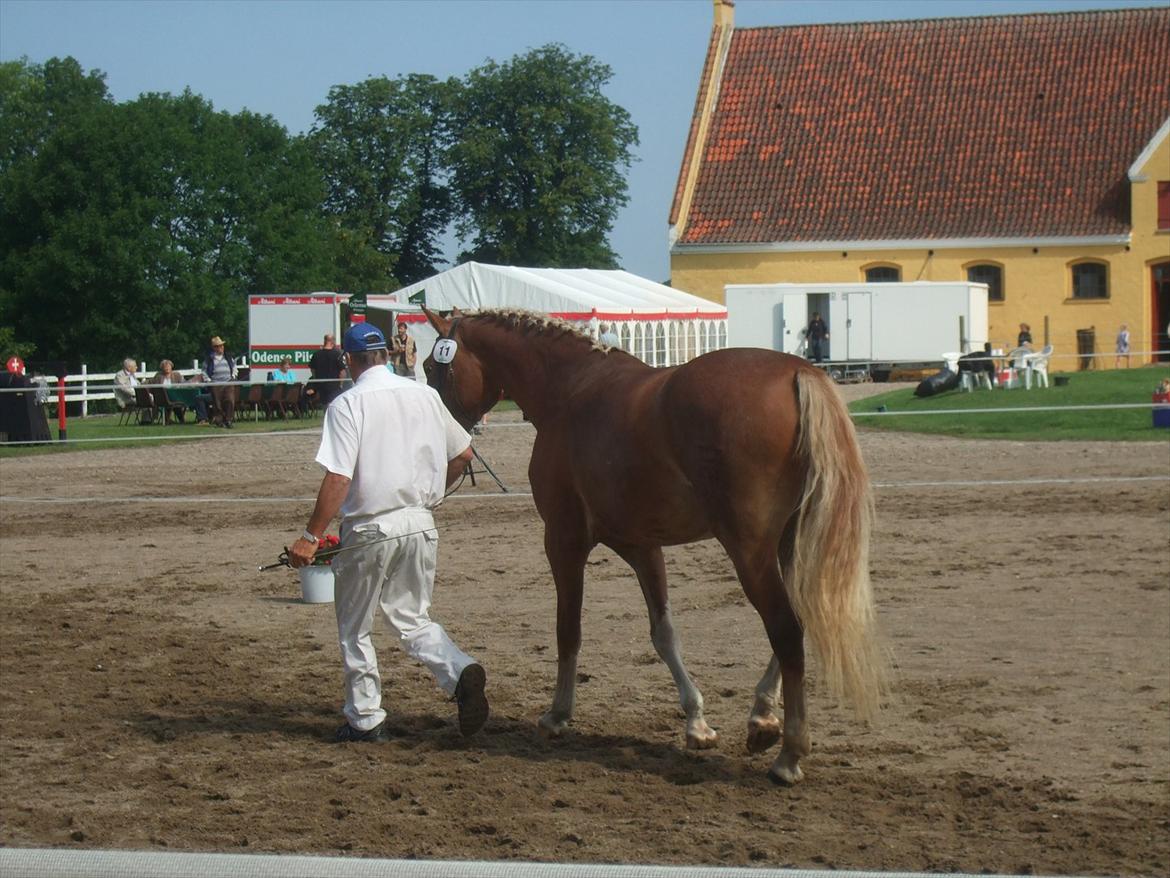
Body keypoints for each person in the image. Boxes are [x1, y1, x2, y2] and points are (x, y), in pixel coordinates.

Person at [287, 323, 487, 743]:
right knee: (413, 618)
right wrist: (433, 496)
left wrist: (310, 535)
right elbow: (464, 452)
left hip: (371, 527)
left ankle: (365, 717)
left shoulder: (347, 405)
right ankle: (458, 668)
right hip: (420, 519)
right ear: (386, 354)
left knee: (355, 628)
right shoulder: (426, 395)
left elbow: (339, 477)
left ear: (350, 360)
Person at [201, 335, 238, 428]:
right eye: (217, 346)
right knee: (217, 403)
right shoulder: (209, 359)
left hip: (228, 382)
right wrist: (209, 381)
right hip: (215, 383)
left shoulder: (228, 357)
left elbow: (234, 367)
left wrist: (233, 376)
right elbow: (204, 371)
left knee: (230, 400)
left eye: (221, 346)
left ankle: (229, 420)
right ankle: (219, 421)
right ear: (214, 348)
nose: (220, 348)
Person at [309, 333, 347, 410]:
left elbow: (312, 370)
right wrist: (341, 384)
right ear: (332, 341)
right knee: (333, 406)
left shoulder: (316, 354)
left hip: (321, 384)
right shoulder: (337, 354)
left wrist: (317, 380)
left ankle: (326, 420)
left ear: (324, 341)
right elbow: (342, 371)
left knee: (325, 405)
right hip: (334, 385)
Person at [149, 359, 187, 424]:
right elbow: (150, 383)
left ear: (171, 367)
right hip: (162, 398)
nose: (167, 368)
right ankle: (168, 419)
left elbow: (184, 384)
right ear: (162, 368)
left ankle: (179, 420)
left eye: (168, 366)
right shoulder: (158, 376)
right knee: (168, 402)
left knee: (176, 403)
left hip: (175, 396)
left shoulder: (177, 375)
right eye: (165, 367)